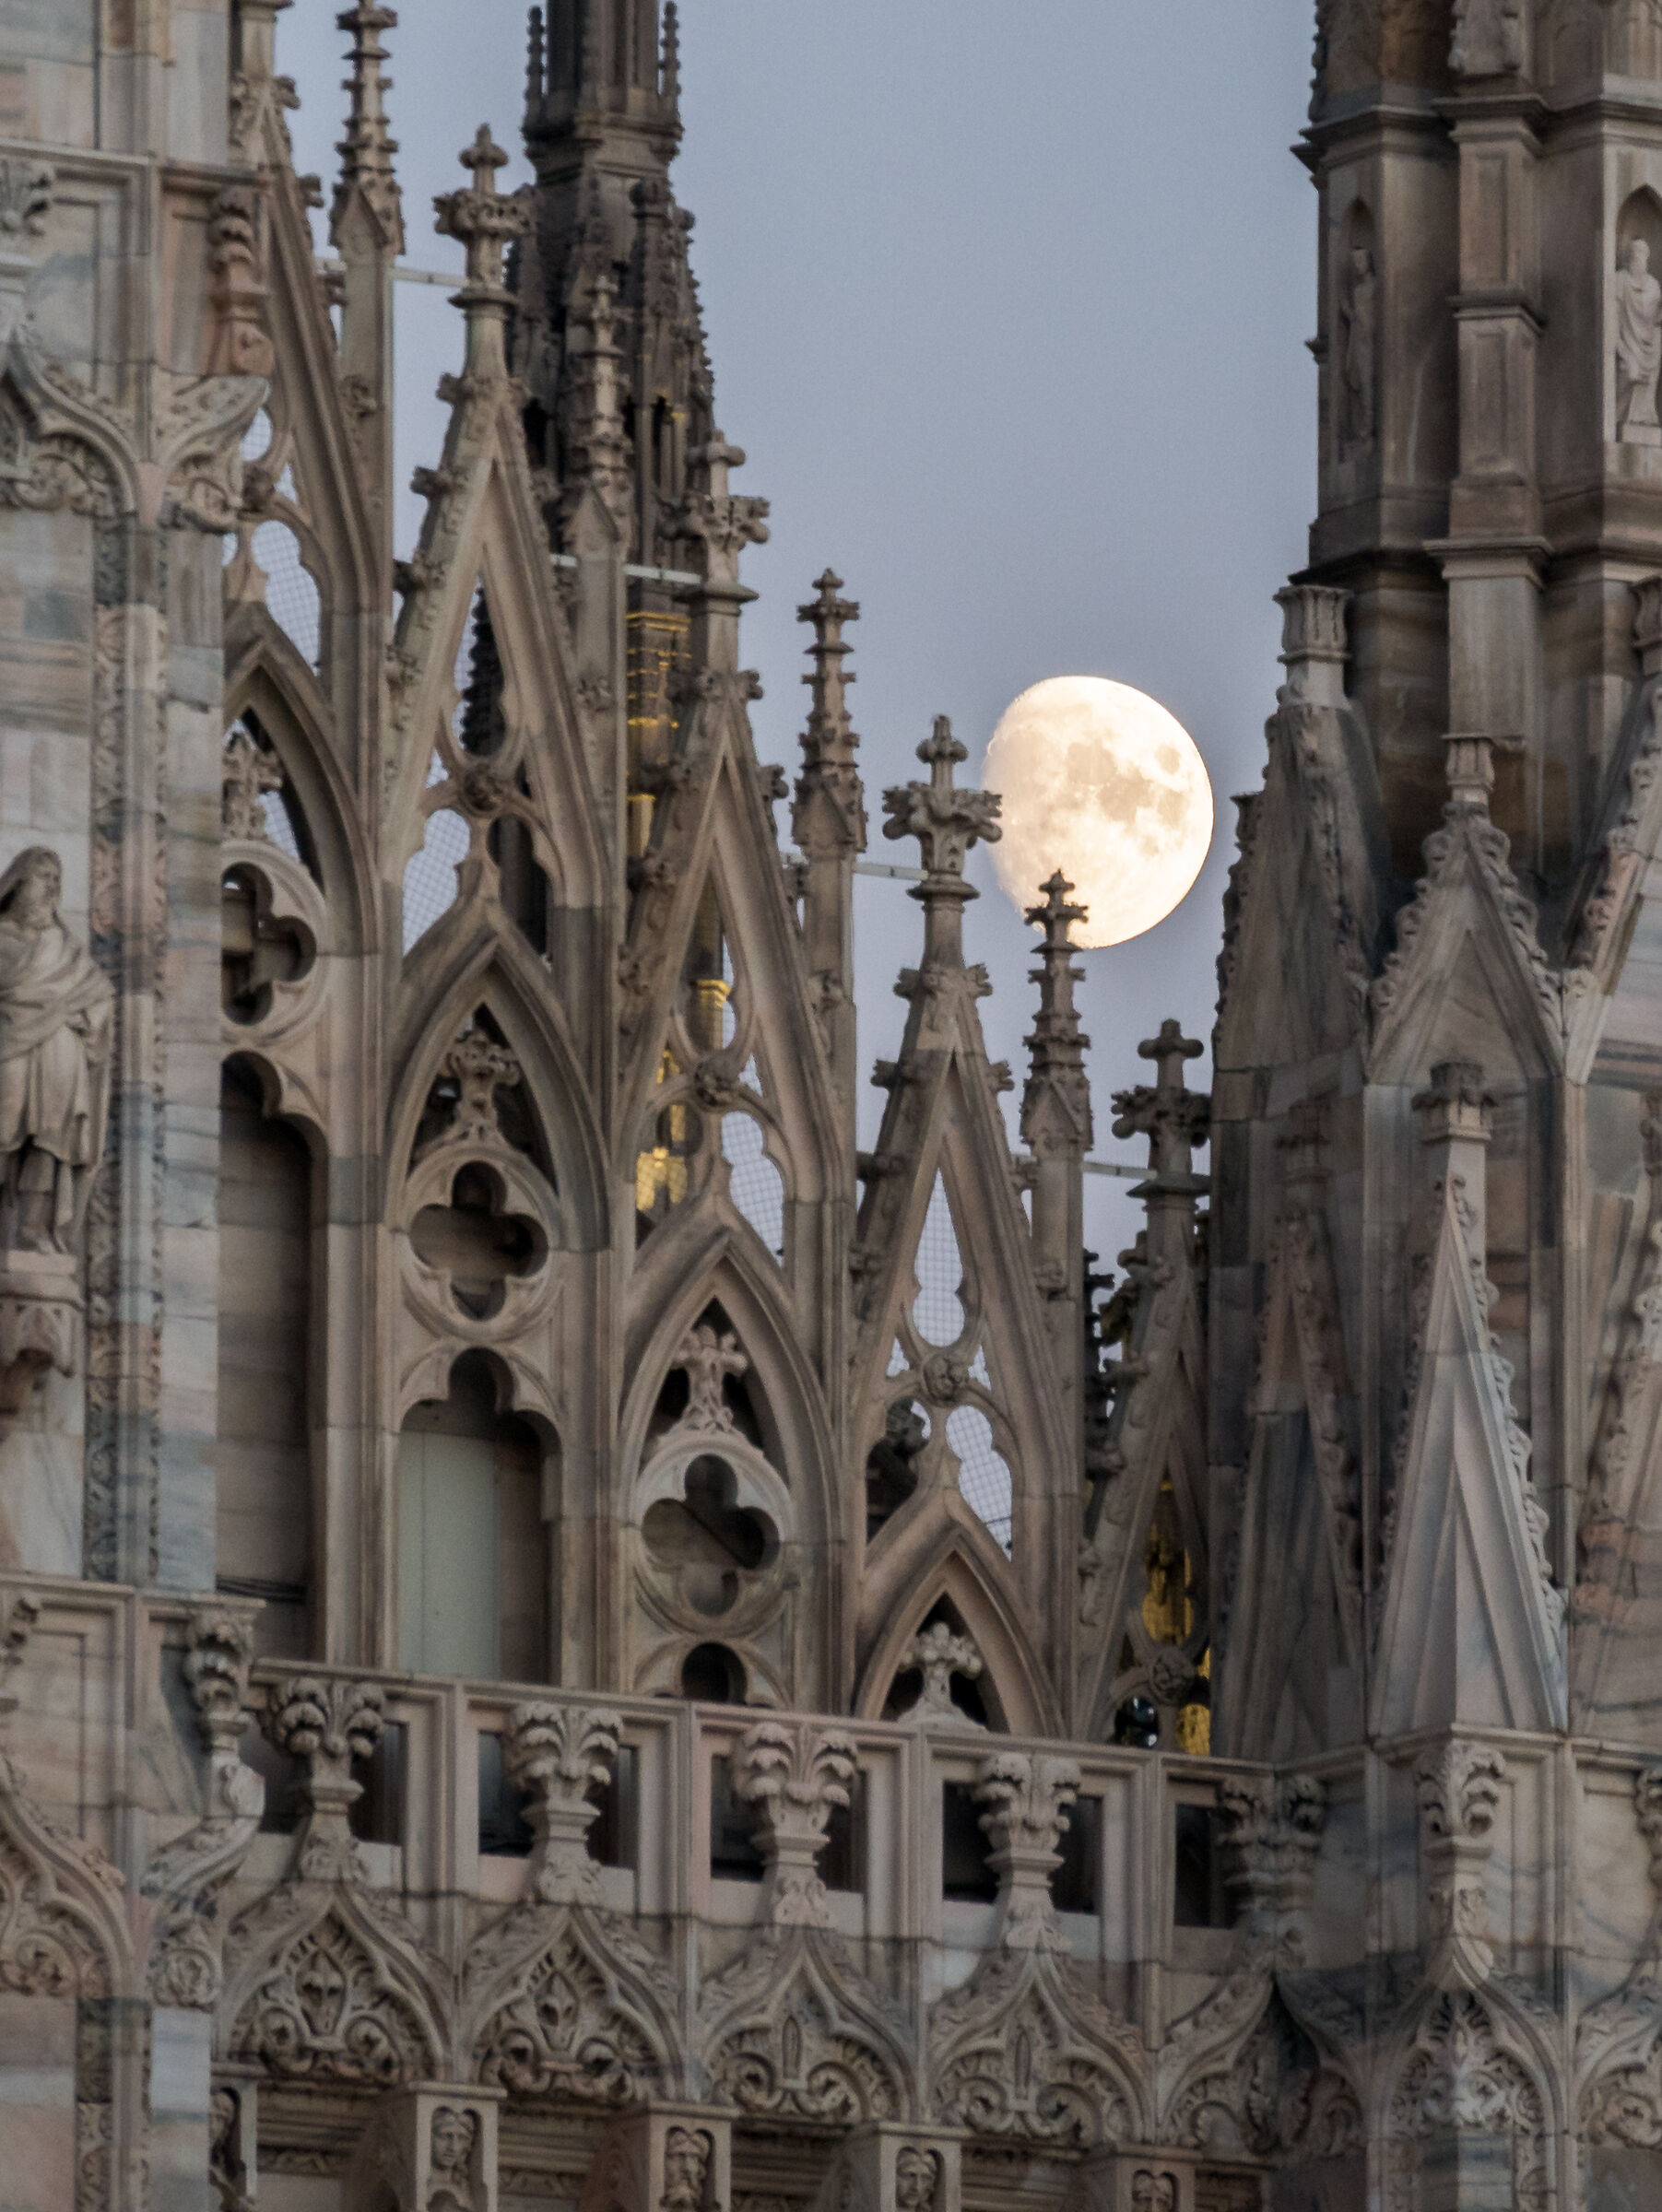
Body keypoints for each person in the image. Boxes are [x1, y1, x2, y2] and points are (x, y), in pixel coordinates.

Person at [0, 846, 113, 1255]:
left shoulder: (65, 948)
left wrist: (88, 1016)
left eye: (56, 880)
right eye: (42, 876)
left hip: (61, 1059)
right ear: (17, 883)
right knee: (6, 1135)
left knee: (51, 1144)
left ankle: (34, 1229)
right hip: (12, 1052)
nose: (51, 887)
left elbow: (98, 994)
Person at [1617, 237, 1662, 441]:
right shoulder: (1620, 280)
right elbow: (1612, 317)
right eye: (1636, 252)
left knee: (1656, 348)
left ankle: (1645, 415)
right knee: (1631, 371)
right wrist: (1620, 347)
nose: (1639, 257)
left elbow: (1657, 317)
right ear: (1630, 256)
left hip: (1649, 342)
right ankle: (1623, 417)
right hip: (1628, 340)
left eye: (1643, 253)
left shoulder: (1653, 285)